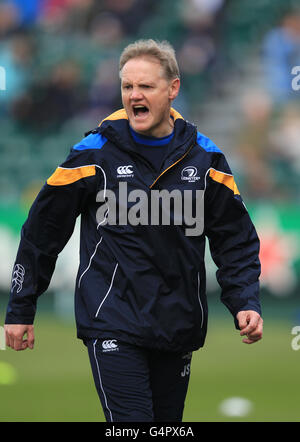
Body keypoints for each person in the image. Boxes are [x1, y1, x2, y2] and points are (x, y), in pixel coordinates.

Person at [4, 39, 263, 422]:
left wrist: (245, 301)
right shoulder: (93, 153)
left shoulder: (206, 159)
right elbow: (43, 231)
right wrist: (21, 306)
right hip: (112, 319)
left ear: (173, 89)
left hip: (177, 323)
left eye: (146, 86)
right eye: (127, 86)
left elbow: (235, 239)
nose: (134, 95)